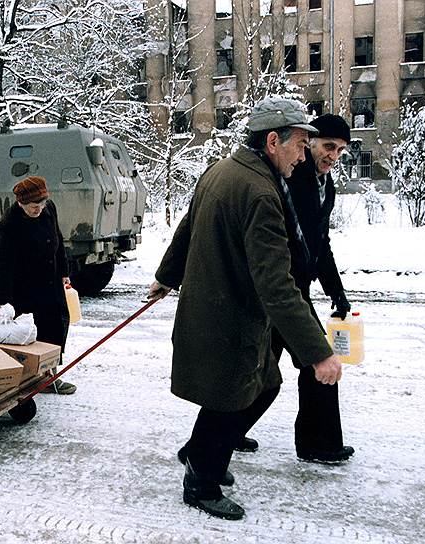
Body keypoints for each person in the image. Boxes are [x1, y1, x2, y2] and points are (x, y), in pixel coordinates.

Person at [148, 97, 342, 520]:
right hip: (232, 315)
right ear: (273, 141)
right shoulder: (261, 193)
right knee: (237, 393)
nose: (303, 154)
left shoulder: (222, 170)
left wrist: (166, 275)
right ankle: (201, 481)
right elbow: (277, 285)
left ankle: (200, 454)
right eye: (299, 145)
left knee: (257, 386)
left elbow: (186, 226)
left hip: (214, 306)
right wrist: (318, 353)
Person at [276, 113, 355, 463]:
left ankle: (319, 443)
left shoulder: (326, 186)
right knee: (316, 362)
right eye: (328, 146)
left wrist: (336, 291)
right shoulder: (293, 179)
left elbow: (320, 245)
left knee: (266, 371)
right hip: (277, 289)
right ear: (309, 142)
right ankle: (318, 444)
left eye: (340, 150)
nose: (333, 156)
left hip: (296, 290)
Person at [0, 175, 76, 395]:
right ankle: (32, 378)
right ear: (21, 203)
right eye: (32, 206)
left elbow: (58, 239)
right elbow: (1, 264)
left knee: (56, 326)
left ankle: (50, 376)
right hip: (25, 286)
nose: (37, 209)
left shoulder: (49, 209)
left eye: (40, 204)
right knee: (33, 332)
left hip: (51, 279)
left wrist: (64, 271)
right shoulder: (10, 224)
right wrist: (2, 301)